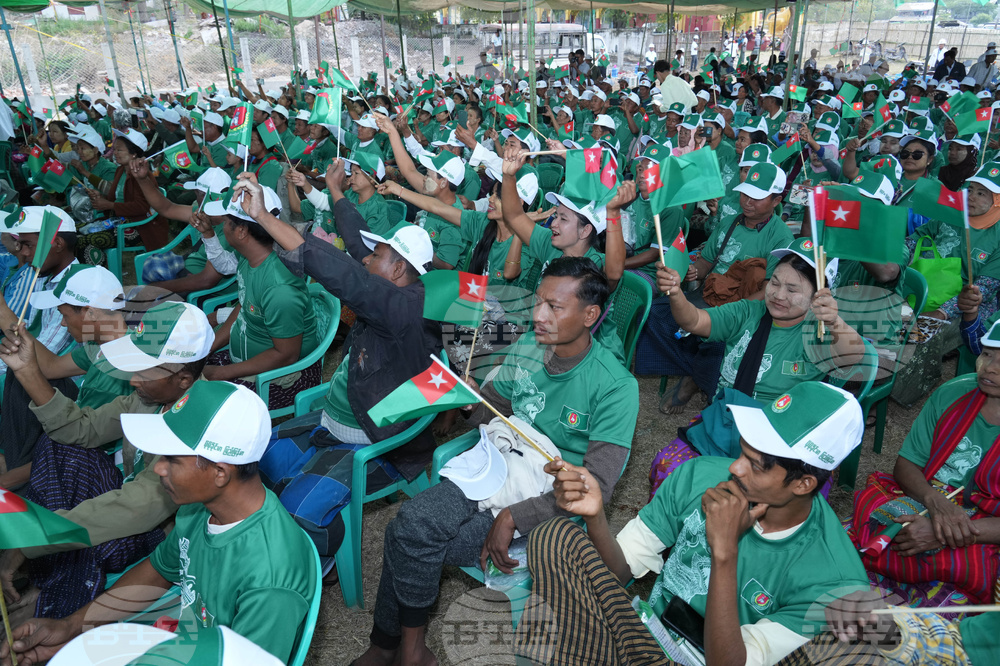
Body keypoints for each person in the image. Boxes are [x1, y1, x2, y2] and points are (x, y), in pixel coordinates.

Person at [351, 256, 640, 666]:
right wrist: (472, 403)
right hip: (493, 467)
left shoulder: (616, 387)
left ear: (590, 315)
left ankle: (389, 645)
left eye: (554, 307)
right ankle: (404, 650)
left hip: (546, 503)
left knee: (408, 533)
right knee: (414, 527)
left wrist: (513, 517)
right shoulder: (530, 344)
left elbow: (598, 486)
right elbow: (496, 410)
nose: (538, 315)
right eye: (538, 302)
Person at [514, 381, 869, 665]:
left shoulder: (834, 583)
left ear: (803, 483)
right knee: (554, 537)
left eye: (756, 464)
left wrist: (725, 552)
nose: (734, 468)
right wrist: (595, 515)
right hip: (647, 633)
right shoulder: (700, 475)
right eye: (742, 451)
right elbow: (618, 574)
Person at [0, 380, 316, 665]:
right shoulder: (199, 509)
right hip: (181, 638)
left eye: (170, 459)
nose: (158, 469)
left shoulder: (271, 580)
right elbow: (157, 573)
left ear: (220, 472)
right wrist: (70, 629)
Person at [225, 170, 442, 560]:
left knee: (297, 509)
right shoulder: (393, 285)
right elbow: (355, 241)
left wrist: (264, 217)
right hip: (332, 421)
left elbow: (344, 275)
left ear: (397, 269)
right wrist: (337, 191)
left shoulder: (403, 307)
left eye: (377, 256)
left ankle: (316, 558)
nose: (365, 259)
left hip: (374, 446)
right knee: (256, 463)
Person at [0, 302, 214, 622]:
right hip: (137, 503)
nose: (133, 380)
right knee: (57, 447)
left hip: (162, 529)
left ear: (183, 378)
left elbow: (135, 509)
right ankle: (51, 577)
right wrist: (28, 370)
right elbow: (81, 429)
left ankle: (57, 603)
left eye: (143, 370)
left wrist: (35, 538)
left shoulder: (196, 424)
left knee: (101, 537)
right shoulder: (148, 397)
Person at [851, 318, 1000, 605]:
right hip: (927, 495)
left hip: (983, 519)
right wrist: (937, 504)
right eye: (987, 354)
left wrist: (943, 533)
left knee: (971, 562)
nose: (990, 367)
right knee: (882, 517)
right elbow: (906, 465)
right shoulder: (953, 393)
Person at [0, 265, 129, 491]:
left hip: (92, 458)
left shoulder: (115, 374)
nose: (62, 323)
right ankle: (16, 463)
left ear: (90, 312)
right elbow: (51, 367)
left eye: (64, 315)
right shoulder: (106, 344)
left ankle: (17, 473)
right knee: (19, 372)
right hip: (79, 437)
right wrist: (3, 312)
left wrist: (7, 481)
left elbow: (78, 442)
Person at [199, 185, 321, 412]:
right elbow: (244, 306)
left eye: (227, 222)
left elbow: (286, 355)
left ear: (241, 231)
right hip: (244, 363)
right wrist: (209, 347)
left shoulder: (279, 288)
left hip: (279, 380)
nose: (223, 227)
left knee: (193, 401)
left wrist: (220, 373)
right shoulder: (250, 259)